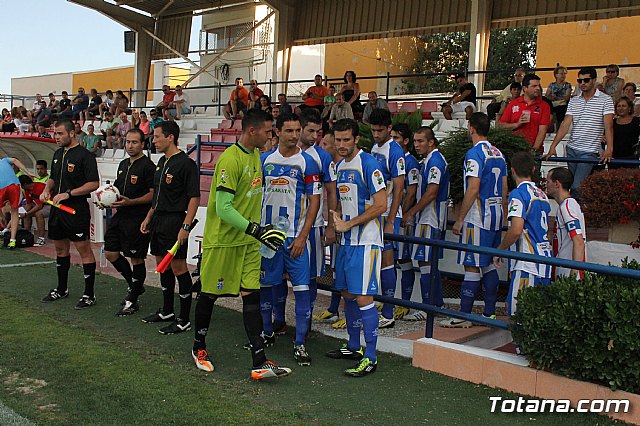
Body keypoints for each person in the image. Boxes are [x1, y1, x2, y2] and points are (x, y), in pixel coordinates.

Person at [193, 109, 292, 379]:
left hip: (248, 243)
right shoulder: (230, 159)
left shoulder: (255, 156)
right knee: (209, 294)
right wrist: (255, 229)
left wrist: (258, 231)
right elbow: (223, 209)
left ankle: (259, 361)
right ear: (252, 131)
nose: (271, 135)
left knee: (252, 295)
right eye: (268, 130)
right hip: (224, 242)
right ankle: (198, 347)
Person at [258, 113, 321, 366]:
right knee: (266, 290)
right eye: (289, 131)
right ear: (277, 132)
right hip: (268, 239)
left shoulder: (308, 162)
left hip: (296, 239)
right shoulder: (263, 161)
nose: (295, 135)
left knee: (303, 292)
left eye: (298, 130)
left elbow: (315, 202)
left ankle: (300, 344)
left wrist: (303, 236)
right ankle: (267, 332)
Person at [326, 118, 387, 377]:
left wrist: (349, 224)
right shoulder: (340, 165)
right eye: (337, 140)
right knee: (348, 293)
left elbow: (381, 204)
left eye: (346, 140)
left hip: (366, 242)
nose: (341, 145)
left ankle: (370, 356)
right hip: (347, 241)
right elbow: (343, 199)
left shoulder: (370, 164)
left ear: (356, 139)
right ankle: (353, 346)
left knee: (363, 297)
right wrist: (337, 219)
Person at [440, 112, 507, 328]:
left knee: (471, 266)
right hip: (495, 216)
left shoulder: (474, 154)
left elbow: (473, 187)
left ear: (471, 128)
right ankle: (489, 314)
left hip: (478, 218)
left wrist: (460, 218)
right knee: (488, 265)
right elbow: (504, 187)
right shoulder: (498, 153)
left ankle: (464, 316)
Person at [140, 121, 200, 334]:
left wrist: (185, 226)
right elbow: (157, 195)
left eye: (156, 137)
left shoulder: (185, 164)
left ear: (170, 137)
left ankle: (184, 319)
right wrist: (149, 216)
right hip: (158, 220)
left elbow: (194, 197)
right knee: (161, 265)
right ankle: (167, 310)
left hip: (175, 221)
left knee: (178, 267)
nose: (153, 141)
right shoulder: (161, 162)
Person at [281, 110, 337, 331]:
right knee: (277, 277)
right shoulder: (279, 154)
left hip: (311, 228)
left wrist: (331, 225)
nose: (315, 136)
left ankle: (306, 322)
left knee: (311, 276)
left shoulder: (322, 157)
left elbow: (332, 192)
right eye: (310, 131)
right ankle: (279, 319)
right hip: (281, 228)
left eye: (318, 132)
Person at [40, 120, 100, 308]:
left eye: (59, 134)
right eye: (55, 134)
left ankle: (89, 294)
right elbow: (52, 178)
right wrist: (46, 190)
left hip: (76, 210)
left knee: (84, 250)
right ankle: (61, 289)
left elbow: (94, 183)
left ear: (72, 133)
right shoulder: (58, 154)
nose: (56, 137)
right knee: (60, 250)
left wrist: (68, 194)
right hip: (58, 211)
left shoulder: (85, 156)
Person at [104, 128, 156, 316]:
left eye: (135, 142)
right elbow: (118, 189)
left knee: (136, 259)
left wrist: (131, 202)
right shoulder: (124, 164)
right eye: (128, 142)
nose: (130, 146)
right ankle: (135, 285)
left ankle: (132, 300)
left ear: (142, 144)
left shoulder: (148, 166)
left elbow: (153, 195)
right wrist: (106, 200)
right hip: (121, 215)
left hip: (138, 218)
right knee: (110, 252)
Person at [493, 151, 551, 315]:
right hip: (545, 260)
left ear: (512, 171)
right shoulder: (543, 195)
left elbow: (516, 229)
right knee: (538, 318)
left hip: (528, 263)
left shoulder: (518, 194)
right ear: (533, 170)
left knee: (519, 316)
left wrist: (500, 249)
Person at [545, 67, 614, 200]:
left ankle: (576, 215)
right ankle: (571, 214)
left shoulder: (605, 99)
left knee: (577, 186)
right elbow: (565, 124)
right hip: (572, 148)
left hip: (589, 151)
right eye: (580, 80)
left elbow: (608, 126)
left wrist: (609, 149)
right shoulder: (574, 100)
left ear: (594, 80)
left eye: (586, 80)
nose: (582, 83)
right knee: (570, 185)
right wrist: (553, 146)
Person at [402, 127, 449, 320]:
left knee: (425, 261)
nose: (417, 145)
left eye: (421, 141)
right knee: (428, 261)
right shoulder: (430, 161)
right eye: (415, 141)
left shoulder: (435, 162)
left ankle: (427, 307)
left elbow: (432, 192)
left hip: (431, 217)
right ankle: (435, 304)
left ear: (431, 142)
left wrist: (411, 211)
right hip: (430, 216)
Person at [369, 108, 406, 328]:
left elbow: (400, 188)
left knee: (387, 260)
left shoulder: (395, 151)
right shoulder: (375, 147)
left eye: (380, 130)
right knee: (379, 261)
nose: (375, 134)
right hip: (376, 212)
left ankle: (389, 313)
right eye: (373, 130)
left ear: (389, 128)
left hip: (389, 214)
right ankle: (383, 305)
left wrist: (392, 219)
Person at [314, 129, 346, 327]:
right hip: (335, 223)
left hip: (345, 226)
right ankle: (333, 310)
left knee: (342, 268)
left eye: (326, 144)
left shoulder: (344, 167)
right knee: (334, 267)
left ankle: (345, 314)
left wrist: (335, 224)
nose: (321, 147)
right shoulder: (333, 166)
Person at [390, 123, 419, 320]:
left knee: (403, 258)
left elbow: (411, 191)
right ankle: (393, 301)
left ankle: (404, 303)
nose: (393, 141)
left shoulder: (410, 162)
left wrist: (405, 213)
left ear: (405, 141)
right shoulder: (391, 156)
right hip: (393, 214)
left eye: (397, 138)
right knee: (393, 259)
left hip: (402, 216)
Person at [545, 167, 587, 280]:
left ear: (557, 184)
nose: (546, 185)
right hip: (564, 271)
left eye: (547, 181)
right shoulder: (566, 205)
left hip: (567, 274)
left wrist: (573, 276)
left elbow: (578, 241)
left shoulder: (567, 206)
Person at [498, 74, 551, 152]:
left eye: (538, 86)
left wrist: (534, 150)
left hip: (533, 151)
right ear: (525, 88)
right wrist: (517, 124)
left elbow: (542, 131)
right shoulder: (513, 103)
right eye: (534, 86)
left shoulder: (544, 106)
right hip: (514, 150)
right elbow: (500, 126)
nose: (538, 88)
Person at [0, 157, 33, 249]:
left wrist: (2, 217)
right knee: (15, 212)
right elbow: (15, 160)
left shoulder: (4, 160)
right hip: (15, 185)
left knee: (11, 211)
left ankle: (5, 233)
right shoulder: (4, 160)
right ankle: (12, 240)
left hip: (2, 187)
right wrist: (28, 172)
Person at [18, 174, 48, 246]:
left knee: (38, 214)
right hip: (40, 205)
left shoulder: (39, 187)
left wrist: (26, 213)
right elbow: (29, 204)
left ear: (25, 184)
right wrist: (19, 212)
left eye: (21, 185)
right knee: (25, 213)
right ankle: (26, 235)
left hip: (51, 205)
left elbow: (39, 206)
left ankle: (41, 238)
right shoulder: (26, 190)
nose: (20, 187)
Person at [611, 96, 640, 168]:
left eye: (623, 106)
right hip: (614, 159)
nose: (621, 108)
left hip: (631, 159)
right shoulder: (612, 122)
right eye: (619, 106)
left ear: (629, 108)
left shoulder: (637, 121)